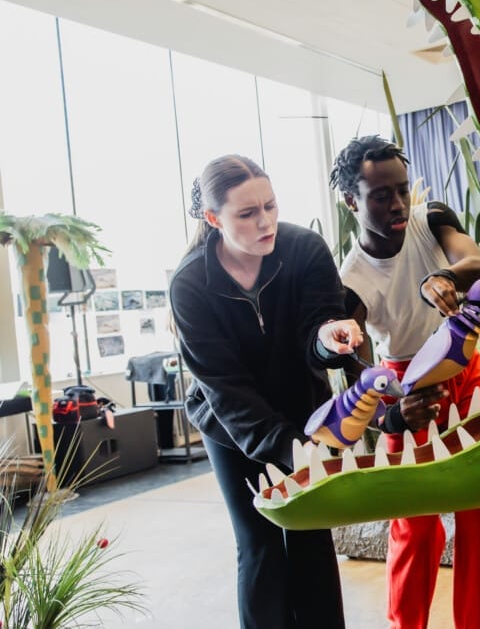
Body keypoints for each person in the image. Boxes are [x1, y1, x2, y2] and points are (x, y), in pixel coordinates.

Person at [169, 154, 363, 629]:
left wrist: (326, 338)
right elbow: (226, 389)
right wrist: (292, 452)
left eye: (271, 206)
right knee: (258, 541)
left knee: (311, 535)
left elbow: (317, 329)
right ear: (213, 219)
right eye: (248, 214)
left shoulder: (305, 249)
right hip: (228, 422)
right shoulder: (190, 283)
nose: (266, 221)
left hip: (302, 406)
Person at [329, 135, 480, 629]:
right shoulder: (353, 282)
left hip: (464, 366)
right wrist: (392, 415)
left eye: (402, 190)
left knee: (475, 508)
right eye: (381, 195)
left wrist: (445, 276)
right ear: (351, 202)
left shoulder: (431, 220)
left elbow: (476, 263)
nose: (397, 204)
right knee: (414, 518)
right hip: (406, 383)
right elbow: (358, 374)